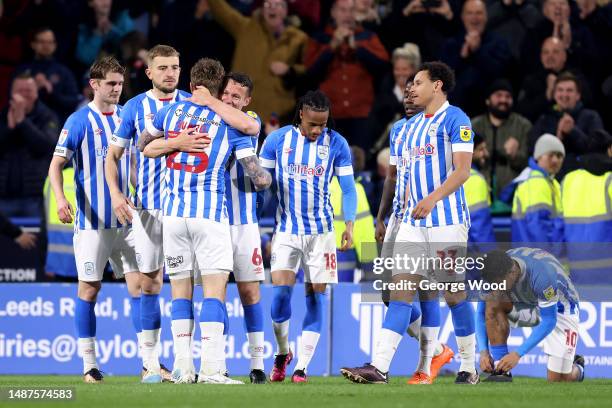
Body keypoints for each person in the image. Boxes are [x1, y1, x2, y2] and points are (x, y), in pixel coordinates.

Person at [342, 62, 479, 385]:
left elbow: (462, 171)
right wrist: (387, 215)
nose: (411, 88)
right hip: (411, 223)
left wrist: (432, 198)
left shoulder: (457, 119)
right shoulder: (407, 128)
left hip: (446, 220)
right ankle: (379, 367)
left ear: (438, 86)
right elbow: (395, 177)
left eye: (418, 82)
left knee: (453, 294)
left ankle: (469, 366)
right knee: (399, 292)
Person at [139, 58, 271, 385]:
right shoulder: (229, 122)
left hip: (172, 216)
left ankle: (184, 369)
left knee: (180, 293)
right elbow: (254, 139)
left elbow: (143, 146)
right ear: (218, 87)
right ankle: (212, 370)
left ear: (190, 85)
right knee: (213, 293)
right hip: (209, 215)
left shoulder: (171, 113)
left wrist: (174, 143)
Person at [48, 56, 139, 383]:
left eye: (120, 83)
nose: (117, 89)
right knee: (89, 290)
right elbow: (56, 165)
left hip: (127, 221)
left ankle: (149, 363)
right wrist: (61, 198)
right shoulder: (78, 121)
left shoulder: (127, 117)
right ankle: (89, 366)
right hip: (91, 222)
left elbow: (132, 161)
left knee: (140, 288)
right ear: (95, 84)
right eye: (111, 84)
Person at [105, 44, 190, 383]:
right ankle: (150, 364)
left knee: (186, 284)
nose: (171, 73)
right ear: (149, 72)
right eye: (164, 67)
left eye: (176, 67)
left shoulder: (191, 105)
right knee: (149, 283)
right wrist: (115, 195)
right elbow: (112, 157)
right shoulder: (134, 108)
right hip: (147, 209)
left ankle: (188, 362)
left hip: (185, 208)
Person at [260, 90, 357, 383]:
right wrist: (253, 223)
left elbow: (349, 189)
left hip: (322, 234)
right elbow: (262, 186)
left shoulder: (337, 143)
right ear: (301, 113)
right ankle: (282, 351)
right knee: (280, 295)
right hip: (287, 231)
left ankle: (301, 367)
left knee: (316, 296)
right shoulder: (278, 141)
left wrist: (349, 226)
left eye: (323, 125)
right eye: (313, 124)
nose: (317, 131)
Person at [374, 75, 455, 381]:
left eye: (414, 91)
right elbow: (391, 177)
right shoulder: (399, 131)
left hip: (432, 219)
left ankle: (426, 365)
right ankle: (436, 353)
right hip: (400, 219)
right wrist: (382, 216)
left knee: (427, 289)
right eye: (406, 93)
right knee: (390, 294)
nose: (409, 96)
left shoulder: (439, 128)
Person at [476, 248, 584, 382]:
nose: (496, 287)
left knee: (560, 380)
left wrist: (517, 354)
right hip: (527, 303)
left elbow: (550, 320)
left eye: (500, 283)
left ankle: (577, 368)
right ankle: (501, 371)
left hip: (559, 309)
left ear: (512, 273)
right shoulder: (493, 270)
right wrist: (483, 352)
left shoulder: (543, 275)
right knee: (493, 301)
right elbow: (481, 313)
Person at [305, 0, 389, 152]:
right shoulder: (320, 38)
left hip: (362, 113)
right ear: (333, 13)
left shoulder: (367, 36)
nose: (347, 15)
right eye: (342, 10)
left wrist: (356, 48)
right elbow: (310, 71)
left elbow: (383, 65)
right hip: (330, 114)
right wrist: (332, 46)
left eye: (351, 11)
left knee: (360, 160)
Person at [208, 0, 308, 125]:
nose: (273, 9)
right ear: (262, 9)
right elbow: (221, 11)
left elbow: (309, 69)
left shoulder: (299, 38)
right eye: (268, 4)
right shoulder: (246, 27)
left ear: (286, 11)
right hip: (240, 110)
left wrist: (289, 70)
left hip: (277, 114)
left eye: (278, 5)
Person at [0, 72, 59, 218]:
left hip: (34, 197)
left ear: (36, 94)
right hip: (3, 196)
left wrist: (22, 122)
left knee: (35, 239)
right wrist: (9, 129)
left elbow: (47, 147)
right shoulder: (2, 116)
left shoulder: (48, 117)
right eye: (20, 91)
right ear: (11, 94)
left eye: (29, 90)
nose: (24, 95)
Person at [440, 0, 513, 116]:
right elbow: (443, 79)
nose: (474, 18)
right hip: (457, 111)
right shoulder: (451, 44)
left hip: (488, 112)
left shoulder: (498, 43)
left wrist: (478, 51)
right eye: (470, 13)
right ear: (463, 17)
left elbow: (500, 73)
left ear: (486, 16)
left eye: (479, 13)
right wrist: (462, 57)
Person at [528, 72, 605, 177]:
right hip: (551, 180)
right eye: (560, 90)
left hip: (581, 181)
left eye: (569, 90)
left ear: (578, 95)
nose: (564, 94)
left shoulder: (591, 117)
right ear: (554, 94)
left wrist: (573, 131)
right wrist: (556, 139)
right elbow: (533, 150)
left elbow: (599, 151)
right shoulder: (544, 119)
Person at [562, 131, 612, 284]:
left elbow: (557, 228)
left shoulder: (567, 180)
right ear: (609, 149)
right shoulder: (609, 180)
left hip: (575, 273)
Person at [471, 79, 531, 200]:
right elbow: (457, 160)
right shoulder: (473, 125)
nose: (503, 100)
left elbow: (531, 164)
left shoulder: (523, 126)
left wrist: (515, 155)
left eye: (508, 96)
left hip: (512, 193)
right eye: (499, 95)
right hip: (479, 193)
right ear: (488, 100)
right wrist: (475, 156)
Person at [517, 37, 592, 123]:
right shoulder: (531, 80)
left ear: (564, 56)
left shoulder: (576, 77)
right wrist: (547, 96)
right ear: (541, 57)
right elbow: (521, 112)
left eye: (555, 52)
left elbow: (588, 102)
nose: (550, 56)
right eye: (546, 52)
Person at [14, 27, 81, 122]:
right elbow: (12, 97)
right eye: (42, 42)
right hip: (25, 121)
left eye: (50, 42)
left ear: (55, 45)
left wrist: (51, 92)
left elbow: (73, 101)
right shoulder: (22, 70)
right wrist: (33, 88)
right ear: (33, 44)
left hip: (55, 123)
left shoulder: (64, 72)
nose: (46, 46)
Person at [511, 134, 564, 246]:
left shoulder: (551, 182)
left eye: (559, 156)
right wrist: (546, 260)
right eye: (551, 155)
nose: (555, 160)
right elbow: (537, 227)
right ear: (538, 157)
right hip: (535, 257)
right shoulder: (536, 181)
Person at [464, 134, 495, 244]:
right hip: (472, 256)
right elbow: (480, 229)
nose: (486, 153)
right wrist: (490, 259)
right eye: (481, 149)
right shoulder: (475, 180)